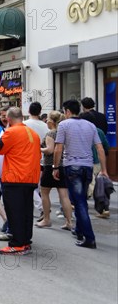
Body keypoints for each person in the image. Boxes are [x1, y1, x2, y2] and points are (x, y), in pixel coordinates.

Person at [53, 99, 108, 249]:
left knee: (79, 203)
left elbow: (58, 148)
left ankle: (89, 238)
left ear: (68, 111)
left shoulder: (64, 125)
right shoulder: (90, 126)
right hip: (87, 167)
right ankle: (79, 230)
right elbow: (100, 148)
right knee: (80, 198)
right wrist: (104, 170)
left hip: (73, 167)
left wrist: (55, 167)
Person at [0, 107, 41, 255]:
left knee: (15, 213)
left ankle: (17, 244)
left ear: (8, 119)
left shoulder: (11, 132)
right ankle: (26, 241)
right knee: (26, 212)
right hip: (30, 178)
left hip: (15, 177)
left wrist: (6, 130)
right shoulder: (32, 133)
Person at [37, 111, 73, 230]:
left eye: (47, 119)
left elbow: (50, 150)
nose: (46, 121)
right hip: (63, 165)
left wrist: (39, 148)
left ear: (51, 122)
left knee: (44, 193)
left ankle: (46, 219)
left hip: (50, 166)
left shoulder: (51, 133)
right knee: (64, 195)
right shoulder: (65, 133)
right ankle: (69, 222)